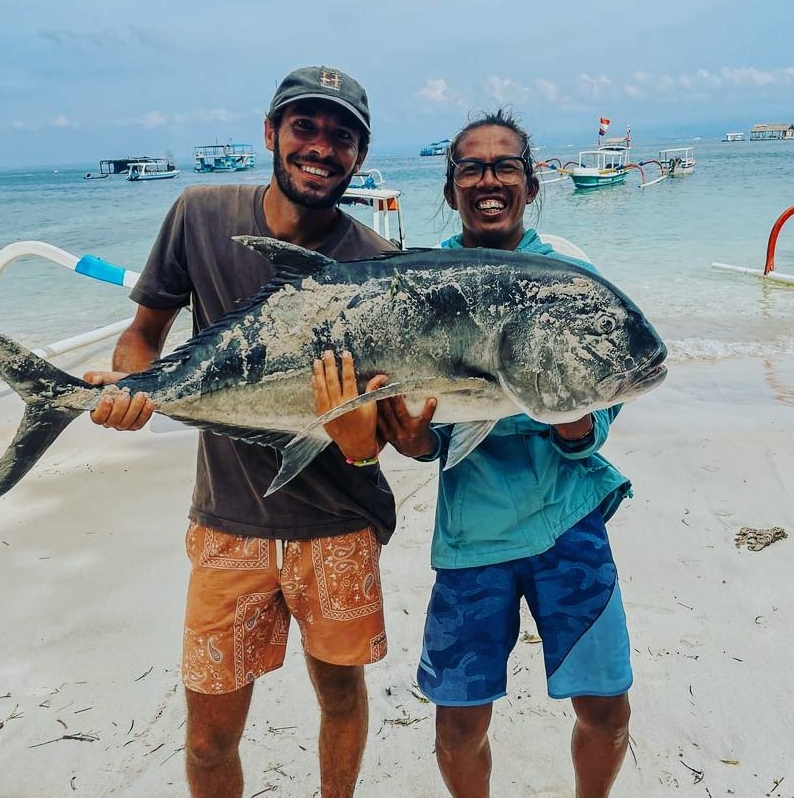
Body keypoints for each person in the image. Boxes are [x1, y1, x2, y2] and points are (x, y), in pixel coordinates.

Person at [85, 65, 398, 798]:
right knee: (207, 736)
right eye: (306, 127)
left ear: (359, 153)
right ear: (271, 133)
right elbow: (142, 338)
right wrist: (127, 390)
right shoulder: (198, 214)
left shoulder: (378, 266)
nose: (322, 147)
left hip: (337, 522)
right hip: (228, 521)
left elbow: (380, 427)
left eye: (342, 136)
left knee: (342, 698)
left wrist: (376, 432)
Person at [315, 109, 634, 798]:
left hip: (568, 522)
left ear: (531, 182)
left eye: (504, 166)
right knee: (459, 724)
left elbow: (601, 412)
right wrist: (409, 437)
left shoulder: (569, 278)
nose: (489, 180)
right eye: (472, 168)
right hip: (471, 537)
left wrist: (575, 422)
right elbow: (434, 435)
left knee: (607, 710)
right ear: (452, 186)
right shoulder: (418, 282)